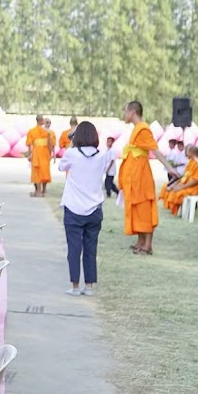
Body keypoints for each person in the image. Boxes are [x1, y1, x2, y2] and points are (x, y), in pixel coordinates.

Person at [58, 122, 113, 296]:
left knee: (74, 249)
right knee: (91, 249)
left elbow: (61, 167)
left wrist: (72, 144)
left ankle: (75, 286)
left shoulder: (71, 153)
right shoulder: (102, 155)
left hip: (74, 208)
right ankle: (89, 286)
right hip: (94, 208)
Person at [119, 102, 178, 256]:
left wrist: (169, 168)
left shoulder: (143, 129)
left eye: (125, 111)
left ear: (132, 112)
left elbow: (155, 150)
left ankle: (148, 245)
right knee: (136, 206)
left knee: (144, 205)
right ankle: (140, 241)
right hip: (134, 173)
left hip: (141, 173)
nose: (124, 114)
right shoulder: (136, 129)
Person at [161, 146, 198, 216]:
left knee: (177, 192)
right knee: (166, 187)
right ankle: (173, 209)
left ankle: (179, 211)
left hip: (195, 188)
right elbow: (185, 176)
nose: (185, 154)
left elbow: (196, 180)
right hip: (186, 184)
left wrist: (182, 187)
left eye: (186, 151)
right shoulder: (191, 161)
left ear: (191, 152)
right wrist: (175, 184)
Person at [26, 115, 53, 197]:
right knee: (44, 172)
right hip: (44, 153)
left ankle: (38, 191)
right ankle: (42, 191)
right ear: (41, 121)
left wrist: (30, 154)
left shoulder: (32, 131)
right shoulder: (47, 131)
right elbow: (50, 144)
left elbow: (29, 144)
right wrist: (50, 153)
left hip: (37, 153)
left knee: (37, 172)